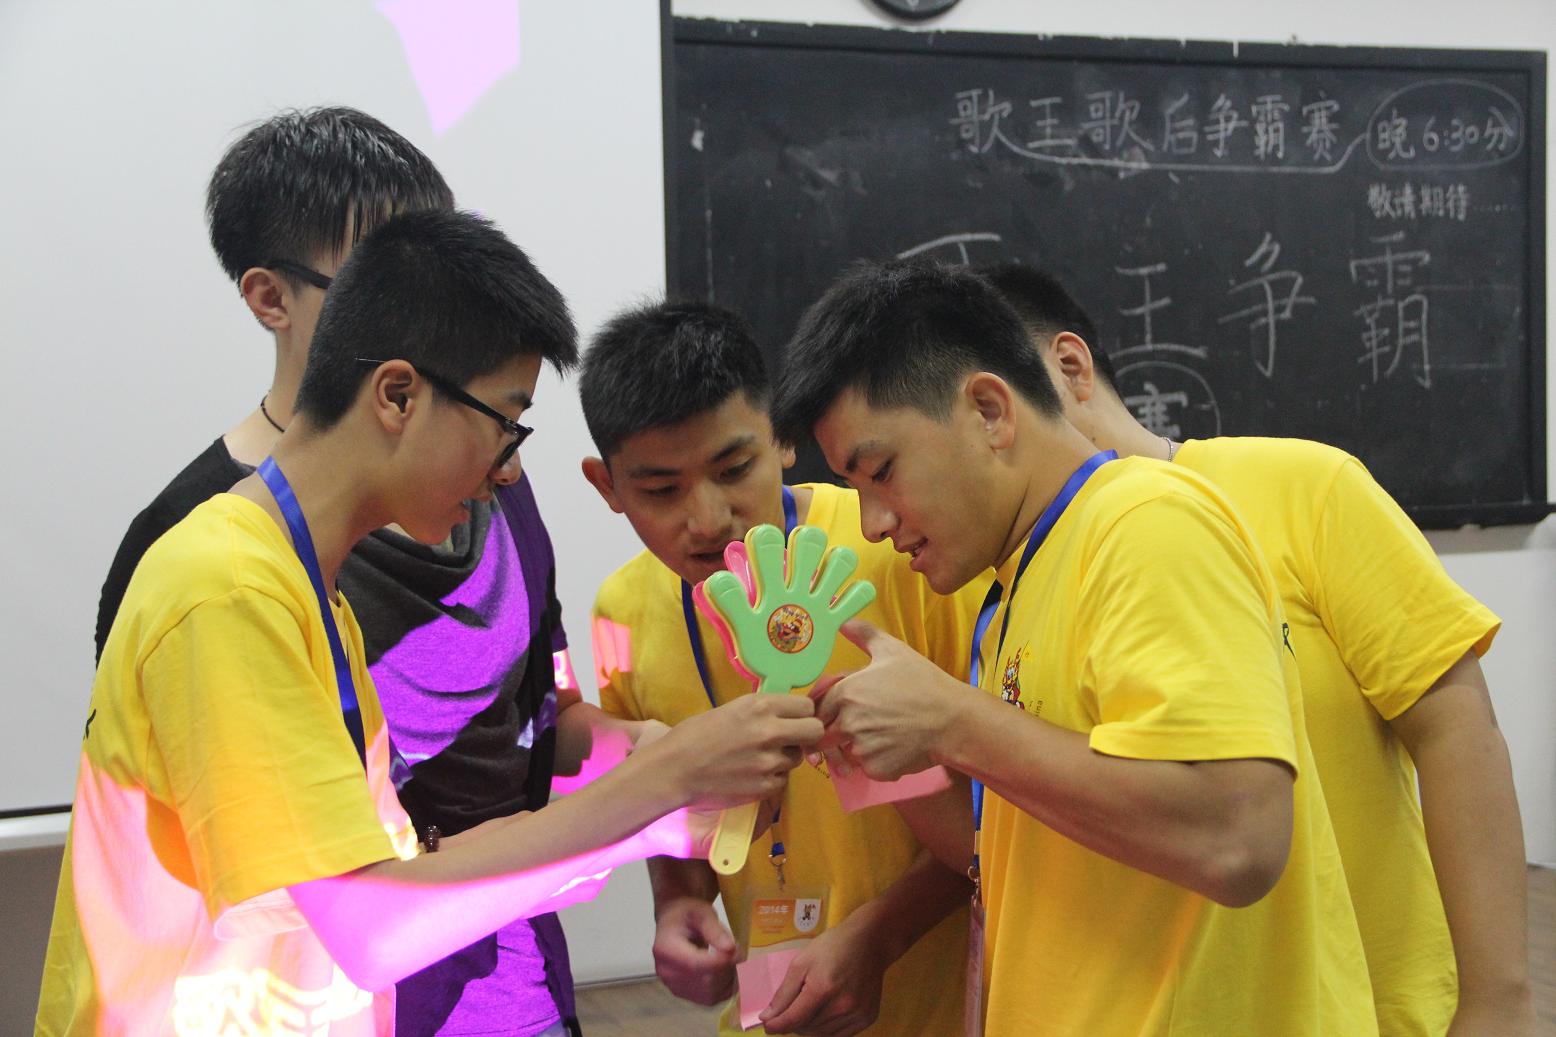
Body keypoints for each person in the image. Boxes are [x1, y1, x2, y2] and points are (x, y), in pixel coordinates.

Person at [38, 210, 824, 1035]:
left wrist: (654, 796)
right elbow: (371, 929)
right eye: (505, 422)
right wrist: (657, 785)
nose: (509, 469)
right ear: (398, 395)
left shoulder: (301, 583)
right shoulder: (230, 589)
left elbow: (403, 873)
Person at [90, 107, 660, 1036]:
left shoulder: (475, 483)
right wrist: (649, 800)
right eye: (378, 274)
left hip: (496, 962)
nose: (505, 465)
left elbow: (544, 709)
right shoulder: (215, 565)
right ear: (270, 298)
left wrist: (645, 758)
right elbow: (348, 912)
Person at [770, 259, 1377, 1035]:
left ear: (990, 409)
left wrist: (952, 721)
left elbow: (1238, 840)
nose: (872, 523)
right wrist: (884, 753)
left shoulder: (1145, 525)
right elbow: (1014, 856)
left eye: (881, 472)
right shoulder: (1017, 582)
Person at [984, 261, 1535, 1036]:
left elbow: (1455, 726)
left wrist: (1497, 1000)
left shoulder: (1303, 487)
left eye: (984, 405)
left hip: (1375, 1008)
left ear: (1069, 368)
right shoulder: (1013, 589)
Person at [578, 300, 982, 1037]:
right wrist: (677, 901)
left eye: (735, 469)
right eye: (661, 490)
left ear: (783, 438)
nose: (707, 518)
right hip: (770, 1015)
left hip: (941, 1009)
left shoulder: (900, 554)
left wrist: (879, 937)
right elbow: (664, 797)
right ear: (606, 486)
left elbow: (1006, 820)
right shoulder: (620, 613)